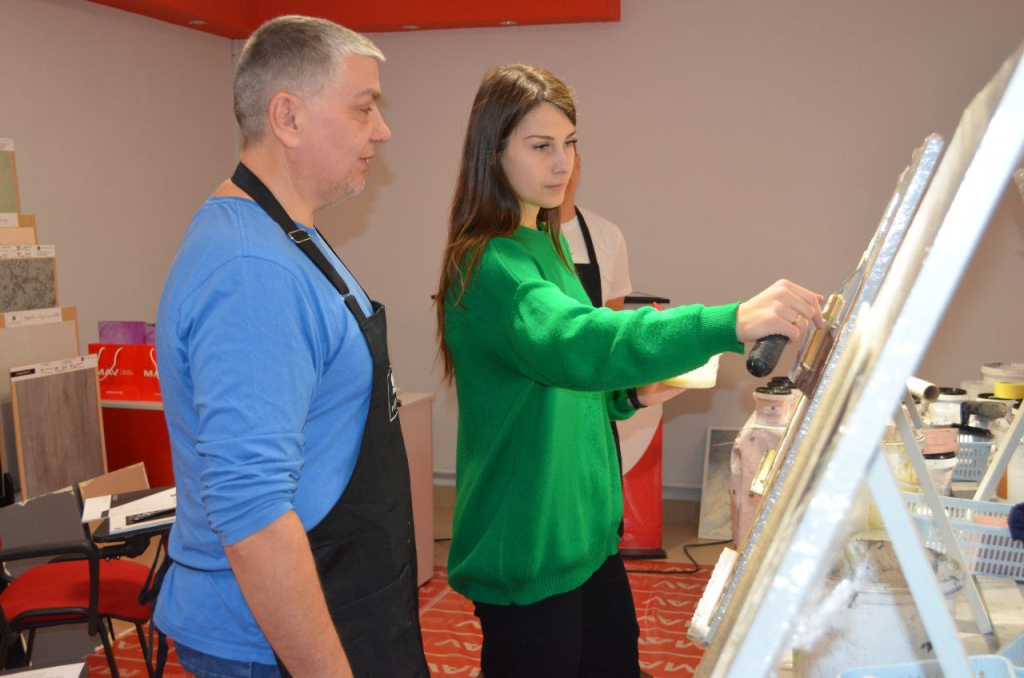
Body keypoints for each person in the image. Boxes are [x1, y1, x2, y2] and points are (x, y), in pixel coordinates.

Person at [434, 63, 823, 677]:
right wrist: (728, 321)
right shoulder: (489, 266)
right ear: (493, 153)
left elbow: (560, 378)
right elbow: (578, 343)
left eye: (569, 144)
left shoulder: (545, 243)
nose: (562, 164)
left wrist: (631, 395)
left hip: (584, 537)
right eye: (540, 146)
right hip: (529, 546)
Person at [154, 16, 428, 678]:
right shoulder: (252, 268)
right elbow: (253, 515)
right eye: (364, 108)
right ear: (288, 117)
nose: (382, 130)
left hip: (332, 596)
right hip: (264, 643)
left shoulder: (289, 236)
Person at [558, 153, 632, 310]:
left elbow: (613, 319)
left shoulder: (610, 235)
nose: (562, 169)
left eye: (567, 148)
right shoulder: (515, 236)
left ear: (577, 163)